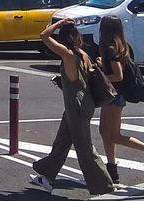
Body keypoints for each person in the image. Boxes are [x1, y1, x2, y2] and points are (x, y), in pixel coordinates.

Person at [28, 19, 115, 197]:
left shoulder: (68, 55)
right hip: (81, 103)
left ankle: (105, 186)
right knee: (62, 141)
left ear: (63, 40)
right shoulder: (83, 54)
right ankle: (47, 175)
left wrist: (58, 24)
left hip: (77, 106)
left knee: (84, 148)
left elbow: (44, 36)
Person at [97, 15, 144, 183]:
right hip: (111, 95)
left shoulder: (111, 48)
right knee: (104, 131)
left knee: (114, 135)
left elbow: (118, 75)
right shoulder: (121, 45)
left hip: (115, 96)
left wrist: (101, 72)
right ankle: (112, 168)